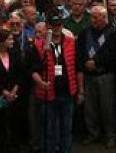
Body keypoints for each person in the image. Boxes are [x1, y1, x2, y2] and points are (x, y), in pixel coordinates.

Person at [30, 14, 77, 153]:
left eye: (59, 25)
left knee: (66, 129)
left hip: (67, 92)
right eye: (53, 25)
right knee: (48, 130)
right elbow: (32, 69)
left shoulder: (70, 42)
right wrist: (40, 82)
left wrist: (79, 90)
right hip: (48, 93)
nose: (56, 28)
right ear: (48, 26)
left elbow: (77, 66)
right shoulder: (39, 45)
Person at [76, 4, 116, 148]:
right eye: (92, 17)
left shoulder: (113, 33)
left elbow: (114, 54)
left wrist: (97, 62)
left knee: (107, 107)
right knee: (90, 109)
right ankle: (93, 134)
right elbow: (80, 52)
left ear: (104, 17)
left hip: (105, 75)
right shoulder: (84, 33)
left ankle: (110, 135)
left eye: (96, 17)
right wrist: (86, 63)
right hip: (88, 76)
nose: (93, 20)